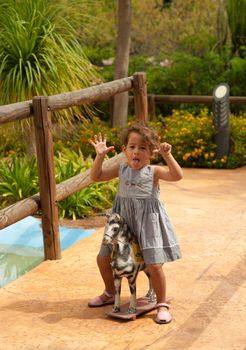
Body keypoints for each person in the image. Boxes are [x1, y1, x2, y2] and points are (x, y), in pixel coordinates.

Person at [88, 122, 183, 324]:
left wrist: (168, 155)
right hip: (122, 223)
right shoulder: (121, 169)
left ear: (151, 152)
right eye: (132, 147)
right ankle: (108, 292)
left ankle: (162, 303)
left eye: (142, 147)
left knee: (154, 265)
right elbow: (95, 176)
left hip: (147, 225)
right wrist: (100, 155)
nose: (136, 151)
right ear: (124, 150)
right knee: (103, 259)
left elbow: (177, 175)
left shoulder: (154, 171)